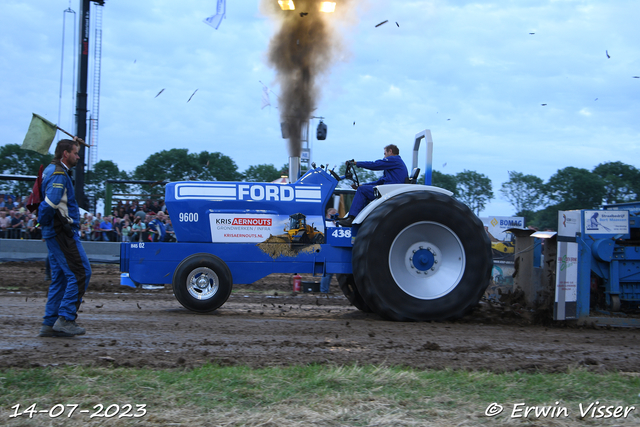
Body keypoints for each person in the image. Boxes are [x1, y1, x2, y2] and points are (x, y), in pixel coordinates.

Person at [37, 138, 92, 337]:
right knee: (81, 273)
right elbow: (50, 204)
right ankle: (66, 319)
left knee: (60, 278)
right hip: (62, 233)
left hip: (54, 232)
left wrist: (44, 227)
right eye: (76, 153)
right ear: (65, 154)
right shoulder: (59, 175)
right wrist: (44, 224)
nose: (78, 156)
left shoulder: (51, 170)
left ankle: (49, 323)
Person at [337, 144, 408, 227]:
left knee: (362, 191)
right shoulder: (393, 166)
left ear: (390, 151)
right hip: (389, 188)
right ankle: (360, 219)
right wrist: (361, 185)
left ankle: (352, 218)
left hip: (391, 190)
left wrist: (356, 163)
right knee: (362, 189)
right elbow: (380, 181)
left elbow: (375, 164)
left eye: (385, 154)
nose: (384, 157)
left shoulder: (394, 159)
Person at [320, 207, 338, 293]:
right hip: (328, 249)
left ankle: (325, 289)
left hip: (335, 250)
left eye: (335, 215)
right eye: (332, 215)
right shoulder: (326, 224)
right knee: (327, 271)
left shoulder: (337, 224)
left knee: (330, 272)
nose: (334, 217)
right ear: (328, 215)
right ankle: (324, 290)